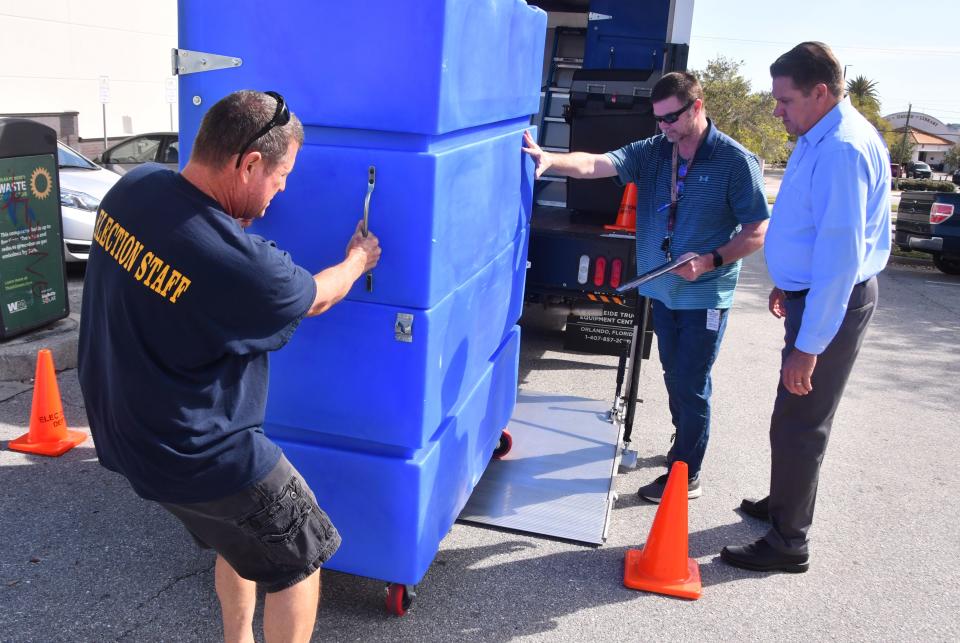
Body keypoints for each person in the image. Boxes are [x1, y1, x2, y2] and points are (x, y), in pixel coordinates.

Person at [78, 90, 381, 641]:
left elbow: (183, 261)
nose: (284, 188)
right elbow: (314, 295)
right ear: (248, 163)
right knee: (301, 556)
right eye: (282, 174)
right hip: (201, 452)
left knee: (241, 541)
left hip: (126, 433)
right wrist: (358, 259)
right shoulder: (247, 270)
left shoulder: (132, 189)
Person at [522, 72, 769, 502]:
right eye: (657, 120)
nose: (663, 128)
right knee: (675, 375)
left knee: (691, 381)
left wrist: (711, 260)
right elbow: (598, 163)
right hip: (663, 290)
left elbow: (757, 230)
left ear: (696, 106)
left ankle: (686, 472)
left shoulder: (735, 161)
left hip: (705, 294)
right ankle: (684, 443)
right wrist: (550, 160)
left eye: (671, 118)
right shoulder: (655, 151)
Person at [721, 42, 891, 573]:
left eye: (785, 100)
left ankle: (788, 543)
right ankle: (784, 504)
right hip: (812, 294)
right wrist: (789, 283)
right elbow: (815, 228)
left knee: (799, 423)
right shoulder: (821, 134)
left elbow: (842, 259)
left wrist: (809, 345)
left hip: (831, 302)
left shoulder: (841, 148)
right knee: (792, 417)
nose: (777, 110)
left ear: (820, 92)